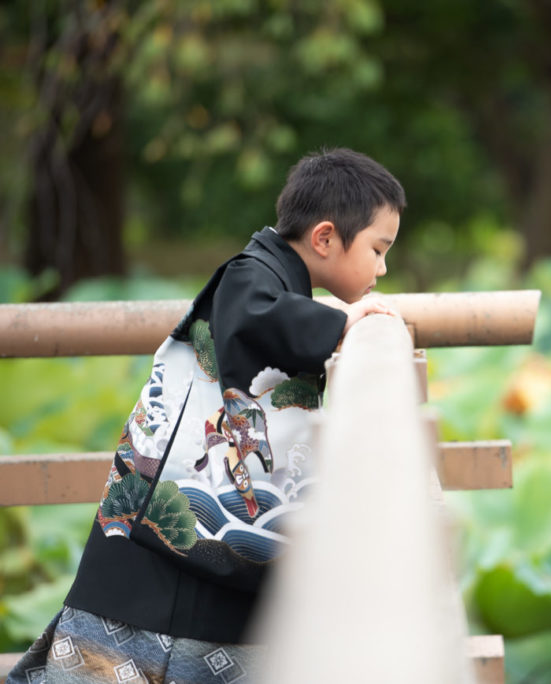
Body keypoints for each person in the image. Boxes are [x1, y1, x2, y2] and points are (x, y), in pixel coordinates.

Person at [6, 147, 404, 684]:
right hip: (153, 568)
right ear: (326, 238)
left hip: (176, 556)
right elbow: (255, 318)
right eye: (379, 250)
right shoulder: (248, 275)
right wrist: (343, 321)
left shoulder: (273, 280)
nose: (382, 268)